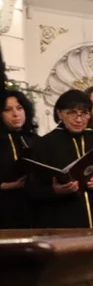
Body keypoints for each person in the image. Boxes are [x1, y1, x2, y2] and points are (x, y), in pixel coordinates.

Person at [26, 89, 93, 228]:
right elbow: (31, 189)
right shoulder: (44, 144)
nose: (79, 119)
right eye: (72, 113)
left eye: (85, 113)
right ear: (59, 113)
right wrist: (55, 191)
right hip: (63, 220)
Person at [0, 88, 39, 229]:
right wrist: (5, 186)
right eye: (8, 110)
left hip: (34, 209)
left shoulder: (37, 140)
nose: (15, 113)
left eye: (19, 108)